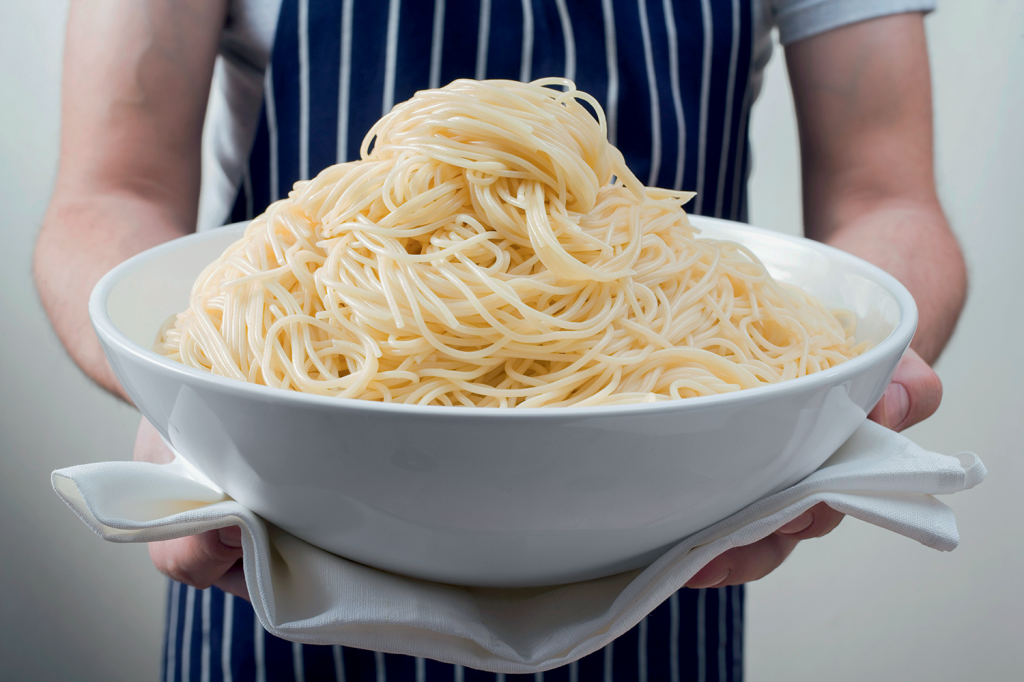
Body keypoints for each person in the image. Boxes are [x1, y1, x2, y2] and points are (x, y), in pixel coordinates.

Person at [35, 0, 965, 679]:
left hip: (666, 550)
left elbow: (886, 197)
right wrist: (192, 402)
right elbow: (107, 197)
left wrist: (850, 387)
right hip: (279, 541)